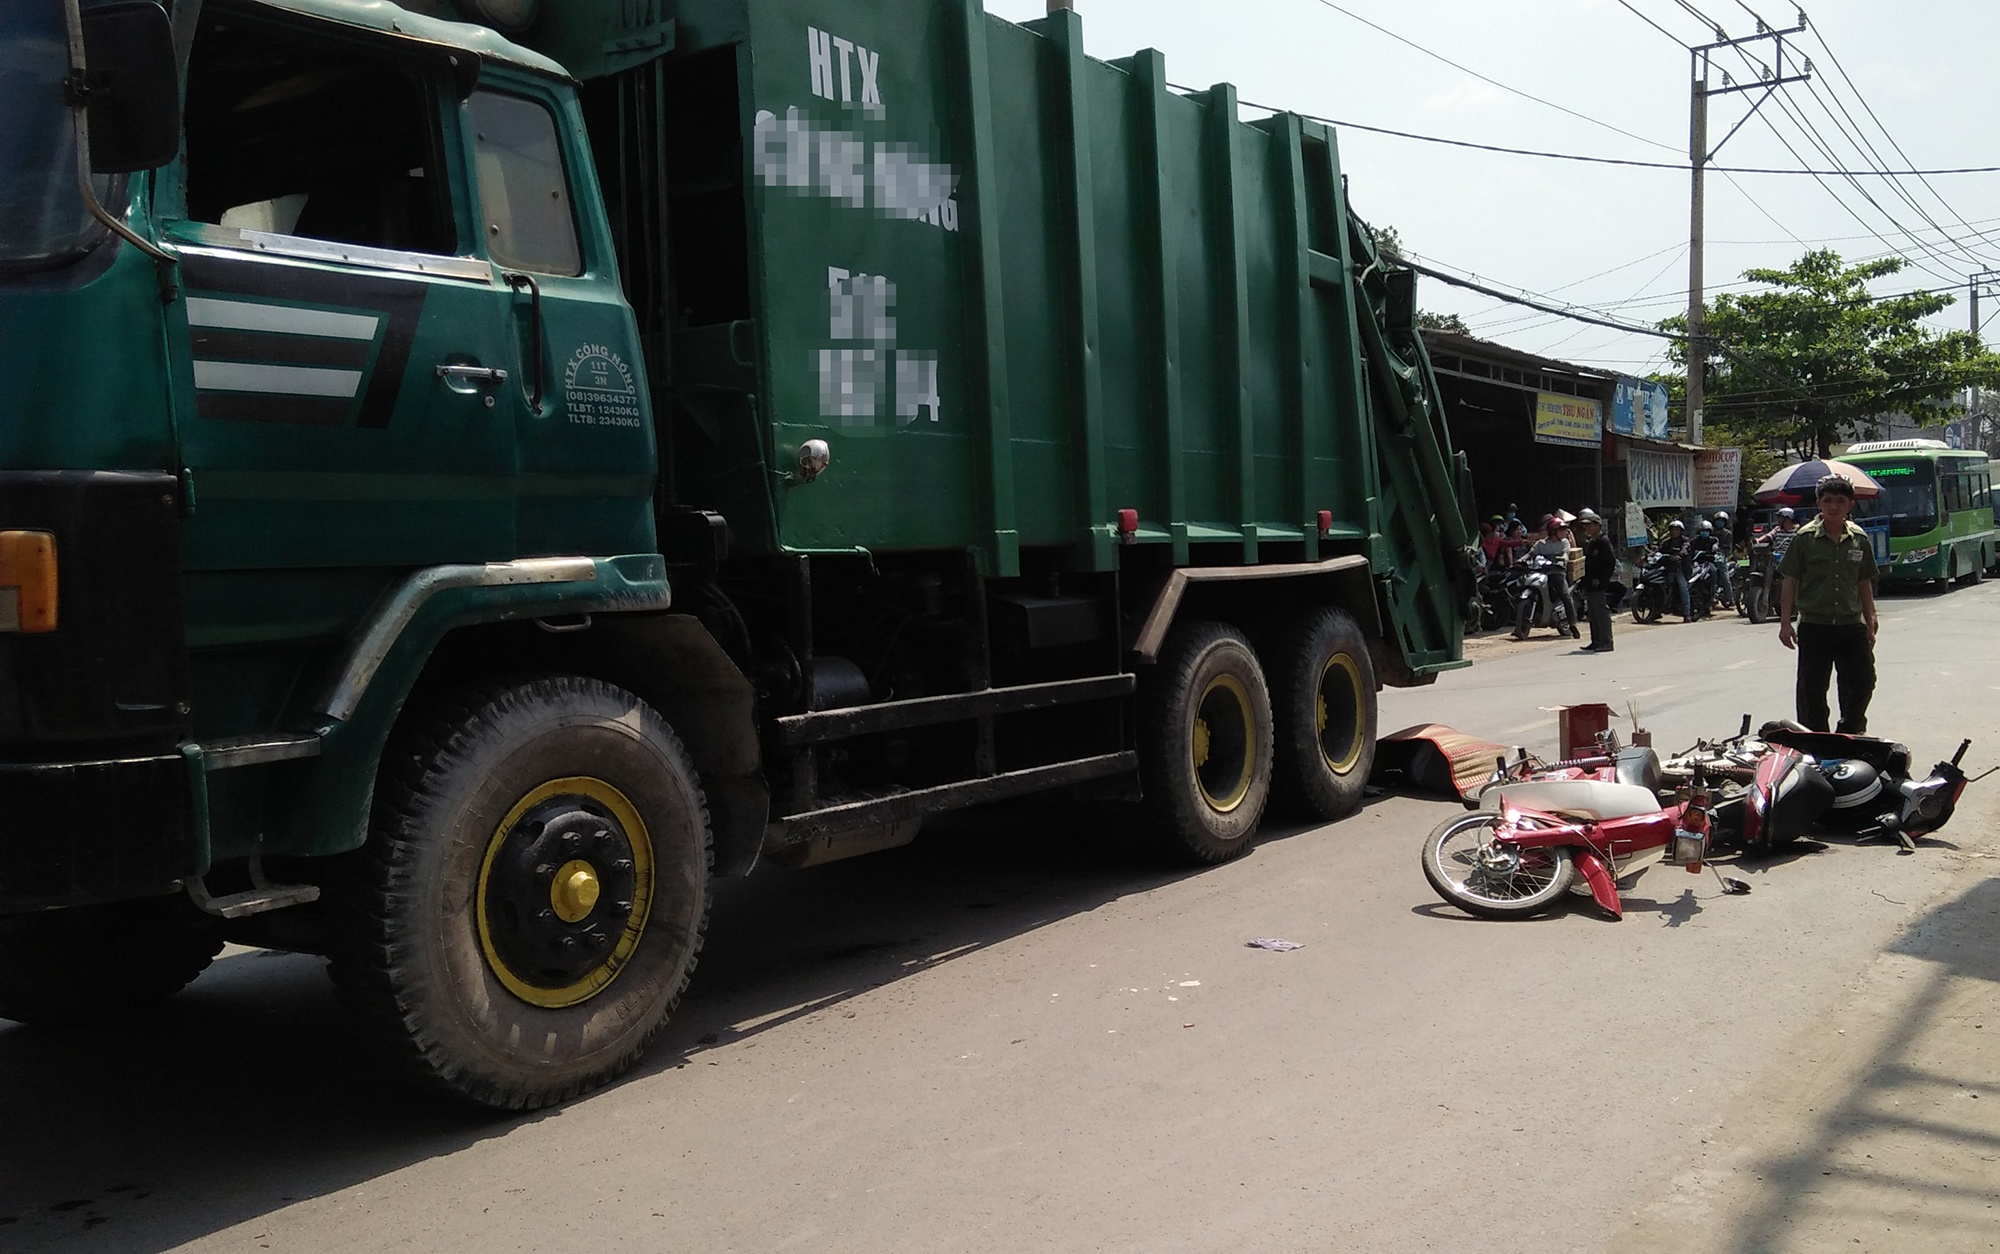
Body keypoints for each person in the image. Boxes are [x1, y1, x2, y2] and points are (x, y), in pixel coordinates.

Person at [1777, 474, 1879, 734]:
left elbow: (1863, 581)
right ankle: (1816, 740)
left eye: (1840, 501)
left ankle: (1850, 731)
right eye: (1828, 500)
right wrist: (1785, 623)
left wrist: (1871, 619)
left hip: (1850, 624)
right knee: (1812, 690)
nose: (1834, 506)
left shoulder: (1859, 539)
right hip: (1815, 625)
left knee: (1863, 681)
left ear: (1850, 505)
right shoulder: (1804, 538)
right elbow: (1790, 581)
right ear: (1818, 504)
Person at [1521, 516, 1580, 639]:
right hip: (1542, 572)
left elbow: (1565, 553)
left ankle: (1572, 624)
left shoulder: (1564, 543)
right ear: (1554, 531)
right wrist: (1522, 559)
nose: (1565, 532)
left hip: (1557, 572)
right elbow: (1531, 553)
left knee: (1565, 595)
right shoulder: (1541, 544)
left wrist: (1562, 559)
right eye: (1562, 529)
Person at [1575, 508, 1617, 652]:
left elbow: (1609, 563)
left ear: (1597, 525)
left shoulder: (1603, 541)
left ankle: (1606, 641)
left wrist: (1601, 579)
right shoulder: (1592, 541)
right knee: (1593, 614)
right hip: (1590, 583)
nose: (1586, 528)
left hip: (1599, 584)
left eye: (1589, 525)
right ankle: (1596, 641)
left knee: (1601, 613)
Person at [1657, 518, 1693, 622]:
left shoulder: (1685, 541)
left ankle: (1687, 614)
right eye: (1672, 530)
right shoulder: (1666, 542)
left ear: (1681, 531)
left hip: (1680, 568)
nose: (1674, 532)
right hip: (1667, 567)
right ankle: (1656, 610)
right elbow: (1659, 550)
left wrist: (1679, 555)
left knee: (1683, 588)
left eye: (1676, 530)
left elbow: (1685, 550)